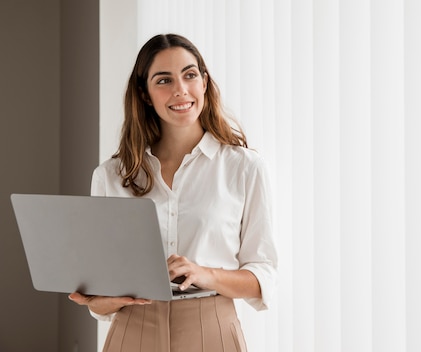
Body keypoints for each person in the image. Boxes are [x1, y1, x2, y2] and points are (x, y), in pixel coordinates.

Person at [68, 33, 278, 352]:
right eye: (164, 80)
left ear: (204, 82)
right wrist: (100, 300)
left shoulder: (244, 167)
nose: (180, 89)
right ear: (146, 94)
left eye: (190, 75)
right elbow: (99, 307)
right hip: (132, 328)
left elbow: (262, 275)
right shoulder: (111, 176)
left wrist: (202, 273)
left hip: (213, 329)